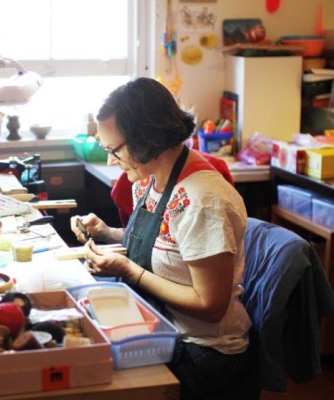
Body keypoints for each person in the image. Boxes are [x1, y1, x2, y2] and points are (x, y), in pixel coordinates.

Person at [71, 77, 252, 399]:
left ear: (147, 139)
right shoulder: (151, 180)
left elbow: (210, 305)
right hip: (160, 329)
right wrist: (107, 232)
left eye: (115, 150)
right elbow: (168, 247)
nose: (111, 160)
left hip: (202, 352)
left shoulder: (202, 201)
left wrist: (129, 271)